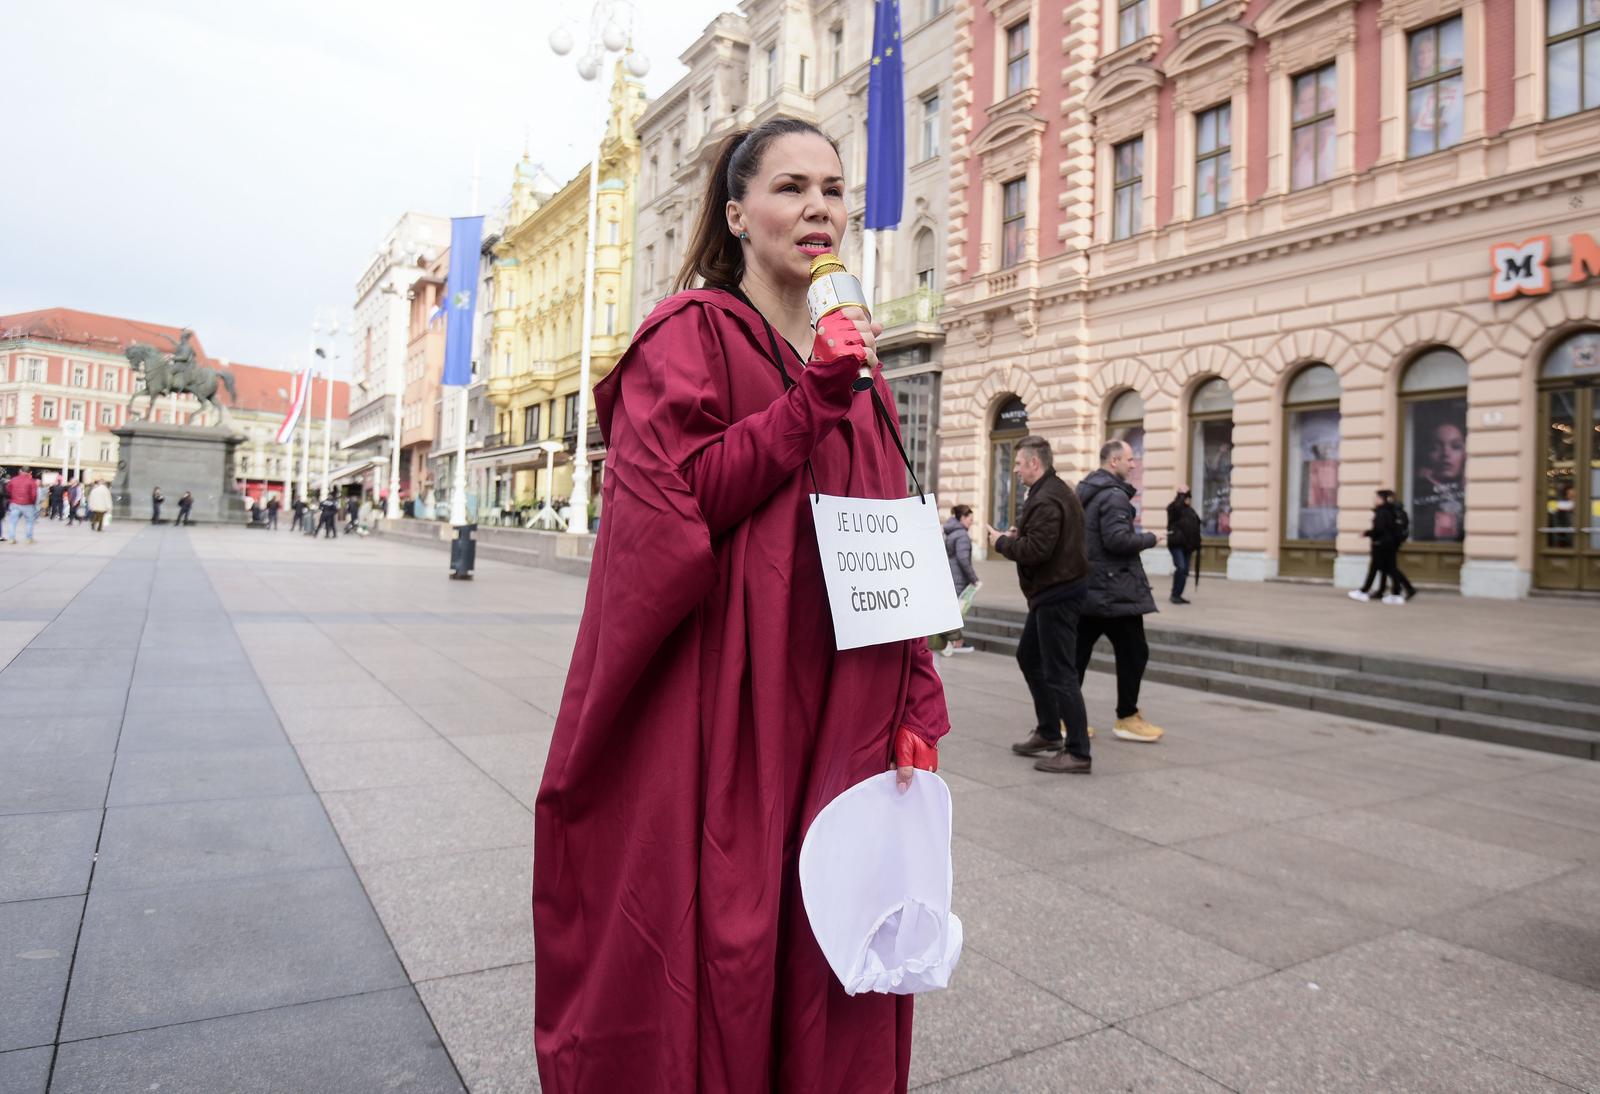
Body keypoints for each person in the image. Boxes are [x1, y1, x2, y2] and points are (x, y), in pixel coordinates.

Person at [532, 117, 949, 1093]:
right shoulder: (690, 333)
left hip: (845, 699)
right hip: (730, 700)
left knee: (829, 935)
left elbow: (890, 535)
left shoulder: (862, 370)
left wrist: (918, 694)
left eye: (832, 190)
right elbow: (675, 503)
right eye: (790, 188)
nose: (817, 208)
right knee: (733, 929)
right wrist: (811, 398)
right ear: (735, 214)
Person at [988, 436, 1093, 774]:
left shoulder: (1048, 497)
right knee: (1029, 656)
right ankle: (1049, 731)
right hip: (1052, 592)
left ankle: (1078, 751)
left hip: (1057, 594)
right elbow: (1045, 540)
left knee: (1061, 672)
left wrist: (1002, 543)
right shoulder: (1052, 491)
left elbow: (1038, 551)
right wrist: (1020, 536)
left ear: (1035, 463)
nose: (1016, 470)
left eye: (1019, 463)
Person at [1074, 440, 1165, 743]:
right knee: (1134, 653)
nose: (1134, 464)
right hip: (1115, 590)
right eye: (1130, 459)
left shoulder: (1086, 490)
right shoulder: (1113, 496)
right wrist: (1151, 538)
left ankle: (1065, 719)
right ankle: (1127, 717)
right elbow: (1117, 540)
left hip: (1090, 586)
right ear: (1113, 461)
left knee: (1077, 655)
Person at [1350, 489, 1415, 604]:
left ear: (1382, 499)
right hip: (1391, 544)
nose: (1374, 500)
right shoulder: (1392, 511)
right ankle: (1395, 591)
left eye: (1376, 498)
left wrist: (1367, 533)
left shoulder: (1382, 512)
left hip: (1381, 544)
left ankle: (1365, 591)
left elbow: (1379, 529)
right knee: (1389, 568)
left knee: (1378, 568)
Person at [937, 504, 981, 656]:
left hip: (950, 575)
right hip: (958, 578)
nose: (971, 522)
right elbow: (963, 560)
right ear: (962, 518)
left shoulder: (951, 532)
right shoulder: (962, 535)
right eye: (970, 519)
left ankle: (954, 641)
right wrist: (974, 579)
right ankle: (954, 642)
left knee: (952, 610)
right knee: (956, 612)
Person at [1165, 486, 1202, 605]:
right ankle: (1175, 595)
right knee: (1181, 567)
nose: (1188, 499)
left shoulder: (1190, 511)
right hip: (1176, 544)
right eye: (1186, 497)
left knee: (1185, 571)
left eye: (1188, 497)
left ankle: (1177, 595)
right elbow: (1175, 508)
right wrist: (1182, 495)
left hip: (1188, 546)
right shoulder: (1174, 508)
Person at [6, 469, 40, 544]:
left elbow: (8, 490)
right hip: (28, 504)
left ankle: (11, 539)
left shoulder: (13, 480)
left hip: (15, 503)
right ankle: (29, 539)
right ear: (30, 472)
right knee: (29, 522)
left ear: (20, 471)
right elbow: (34, 494)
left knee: (12, 522)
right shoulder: (31, 481)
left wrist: (12, 498)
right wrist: (32, 503)